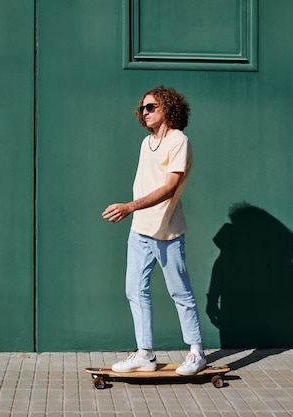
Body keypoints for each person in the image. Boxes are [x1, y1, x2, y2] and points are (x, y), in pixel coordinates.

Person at [102, 86, 206, 375]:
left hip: (167, 231)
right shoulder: (146, 143)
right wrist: (134, 213)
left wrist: (130, 206)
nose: (144, 112)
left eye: (151, 107)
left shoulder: (179, 141)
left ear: (168, 109)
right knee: (135, 290)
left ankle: (197, 352)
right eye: (143, 108)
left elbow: (170, 187)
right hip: (140, 231)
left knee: (179, 292)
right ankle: (145, 354)